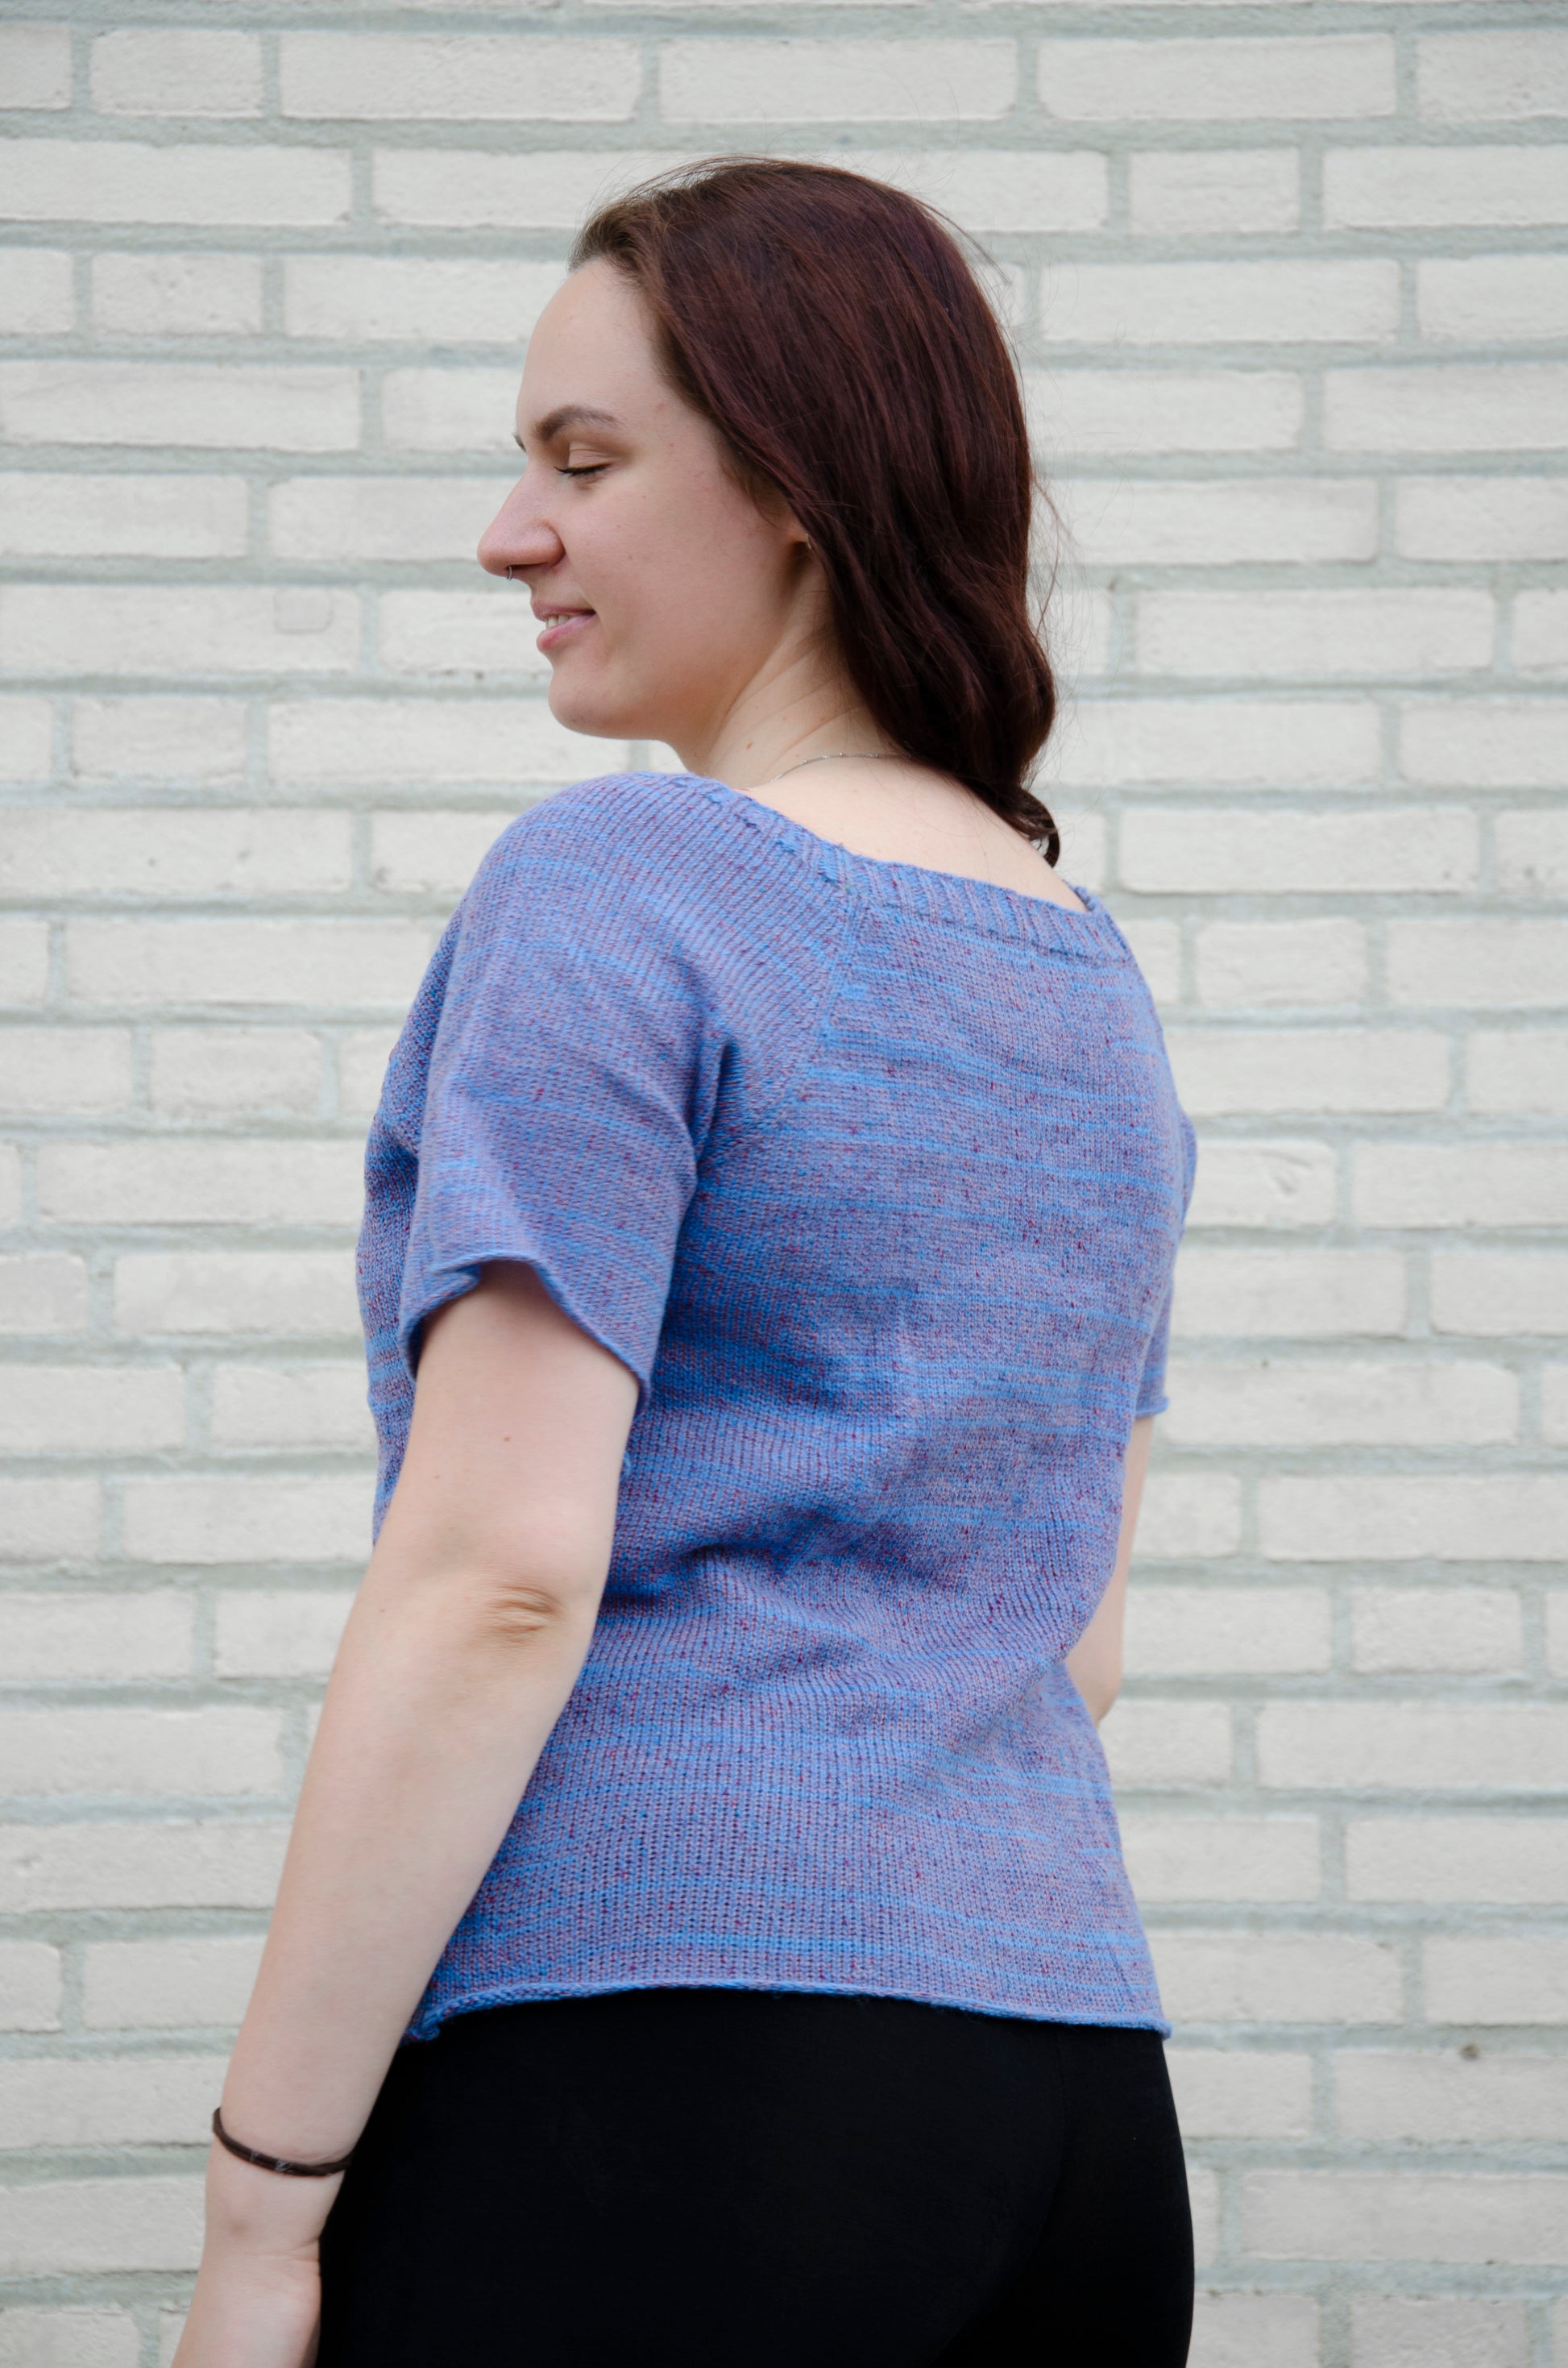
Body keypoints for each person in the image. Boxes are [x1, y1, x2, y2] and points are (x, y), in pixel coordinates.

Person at [173, 156, 1197, 2368]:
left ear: (799, 485)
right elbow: (1079, 1635)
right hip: (1074, 2112)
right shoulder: (1083, 974)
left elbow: (498, 1580)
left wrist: (261, 2210)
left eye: (583, 460)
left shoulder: (623, 882)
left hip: (676, 2084)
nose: (508, 532)